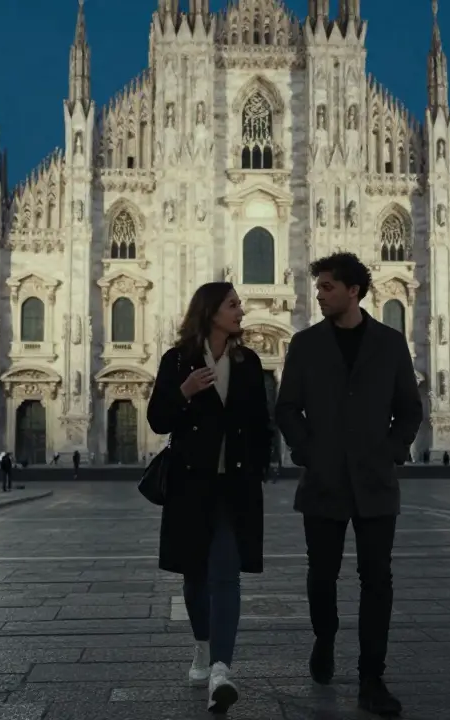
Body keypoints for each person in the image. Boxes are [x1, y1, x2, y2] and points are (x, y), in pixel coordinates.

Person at [275, 252, 422, 717]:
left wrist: (393, 449)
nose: (319, 294)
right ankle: (325, 635)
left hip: (376, 482)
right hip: (323, 481)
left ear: (354, 290)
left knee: (377, 580)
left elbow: (410, 408)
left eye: (327, 287)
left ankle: (371, 677)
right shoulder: (305, 344)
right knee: (322, 575)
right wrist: (306, 452)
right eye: (318, 287)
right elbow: (286, 408)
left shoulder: (390, 342)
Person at [146, 281, 271, 714]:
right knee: (195, 576)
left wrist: (259, 464)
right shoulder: (176, 360)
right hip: (189, 484)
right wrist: (184, 391)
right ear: (211, 311)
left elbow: (260, 421)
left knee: (226, 573)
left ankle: (221, 668)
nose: (241, 310)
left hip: (234, 486)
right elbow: (159, 419)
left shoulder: (248, 361)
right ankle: (203, 648)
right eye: (233, 304)